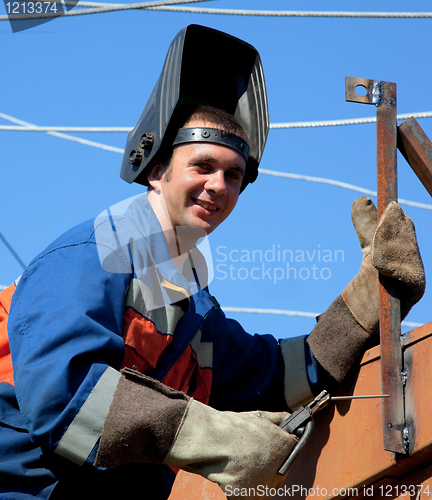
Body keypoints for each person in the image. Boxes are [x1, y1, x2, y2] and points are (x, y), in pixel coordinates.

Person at [0, 24, 425, 500]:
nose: (219, 185)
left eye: (233, 175)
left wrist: (368, 301)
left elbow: (275, 375)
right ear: (157, 171)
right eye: (202, 166)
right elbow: (66, 397)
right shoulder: (90, 256)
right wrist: (216, 438)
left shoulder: (194, 314)